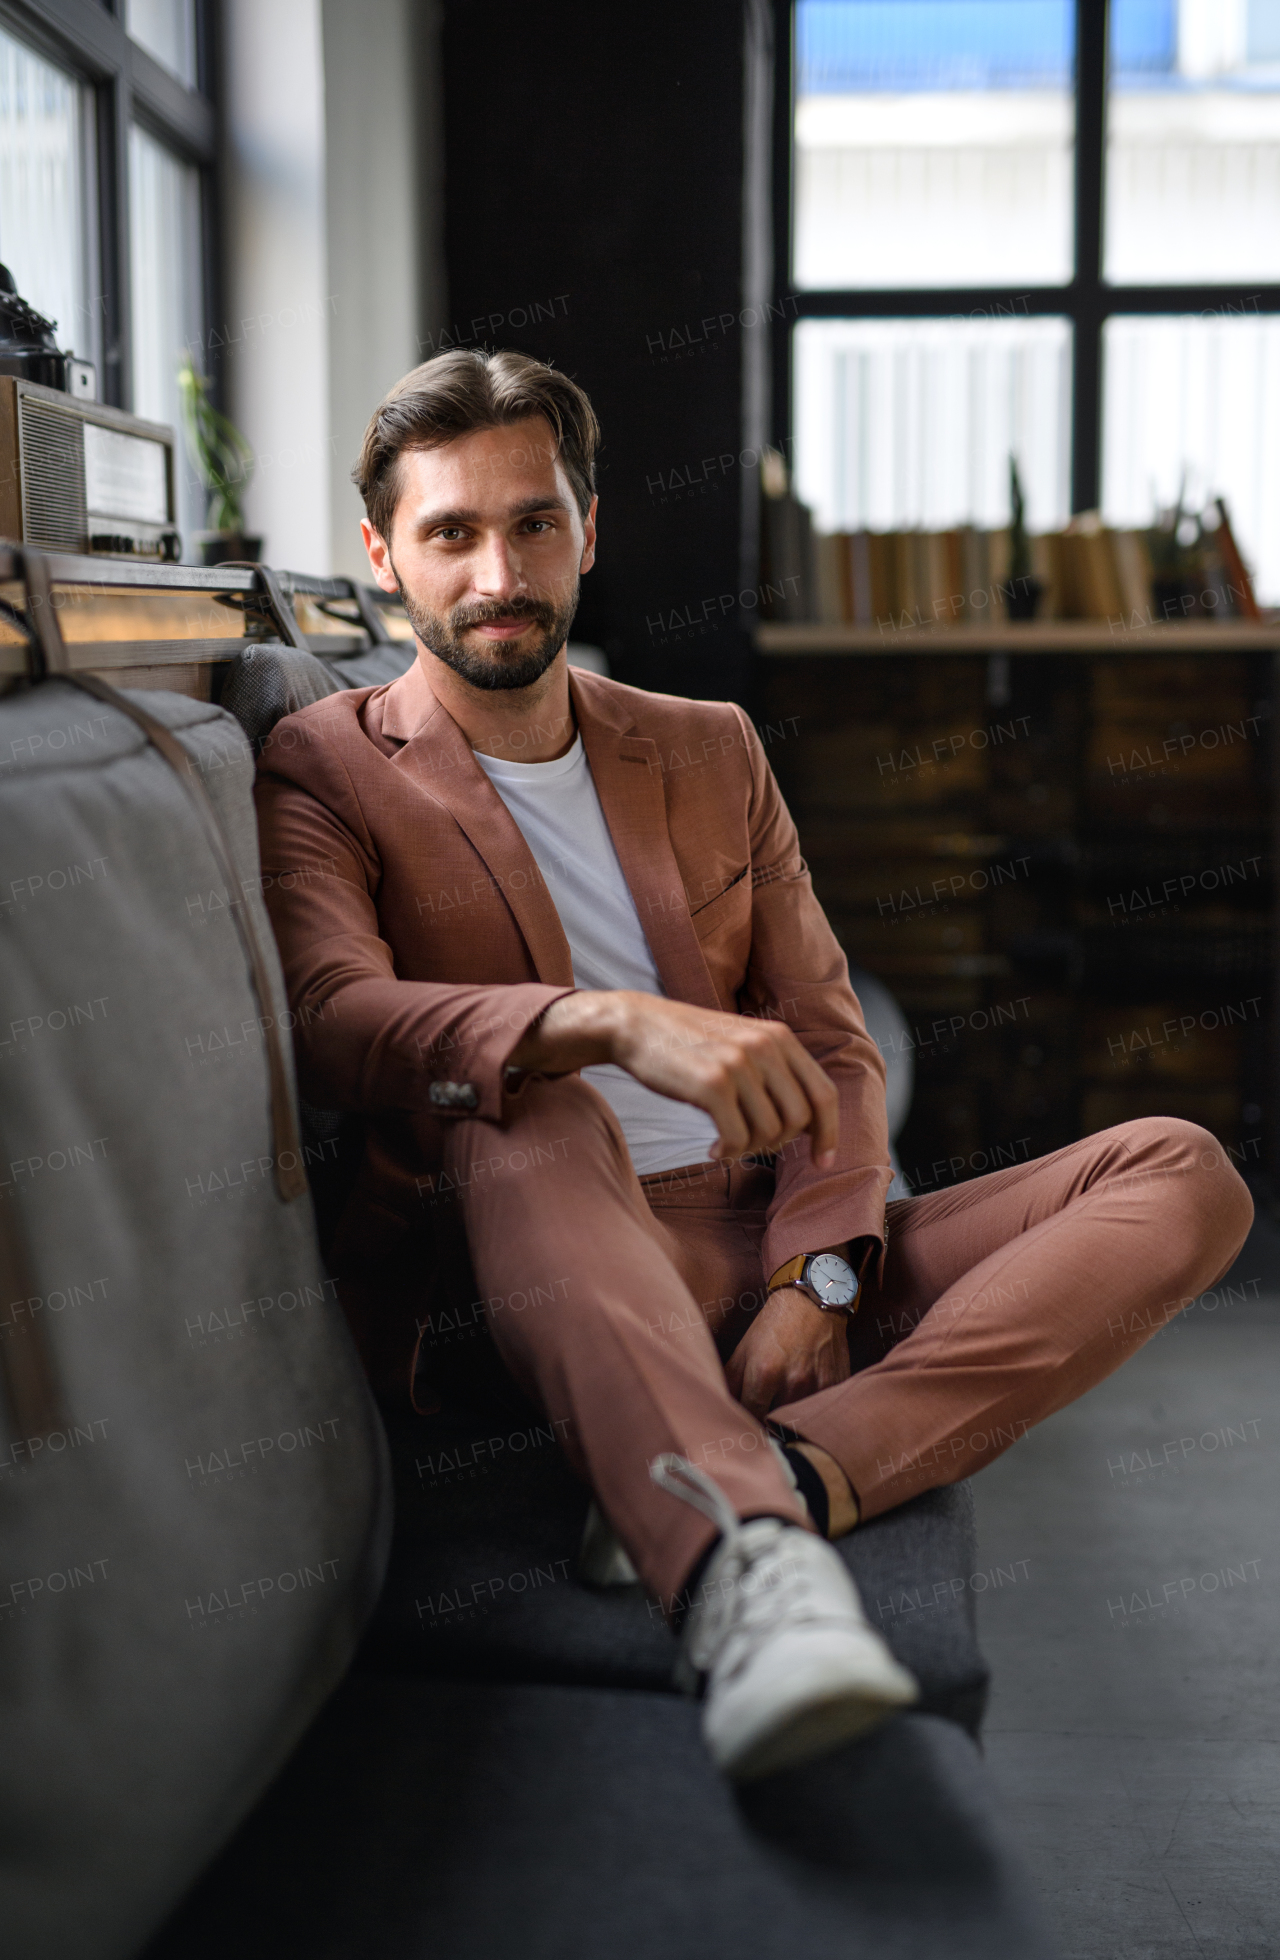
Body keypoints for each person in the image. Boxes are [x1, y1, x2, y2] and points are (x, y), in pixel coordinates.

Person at [254, 349, 1253, 1781]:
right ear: (384, 555)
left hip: (764, 1235)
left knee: (1182, 1173)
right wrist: (600, 1023)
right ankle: (745, 1577)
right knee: (519, 1109)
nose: (499, 573)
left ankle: (785, 1469)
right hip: (537, 1264)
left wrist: (824, 1273)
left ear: (589, 530)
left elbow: (834, 1043)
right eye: (452, 534)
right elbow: (335, 1017)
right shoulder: (327, 764)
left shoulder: (711, 748)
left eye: (535, 523)